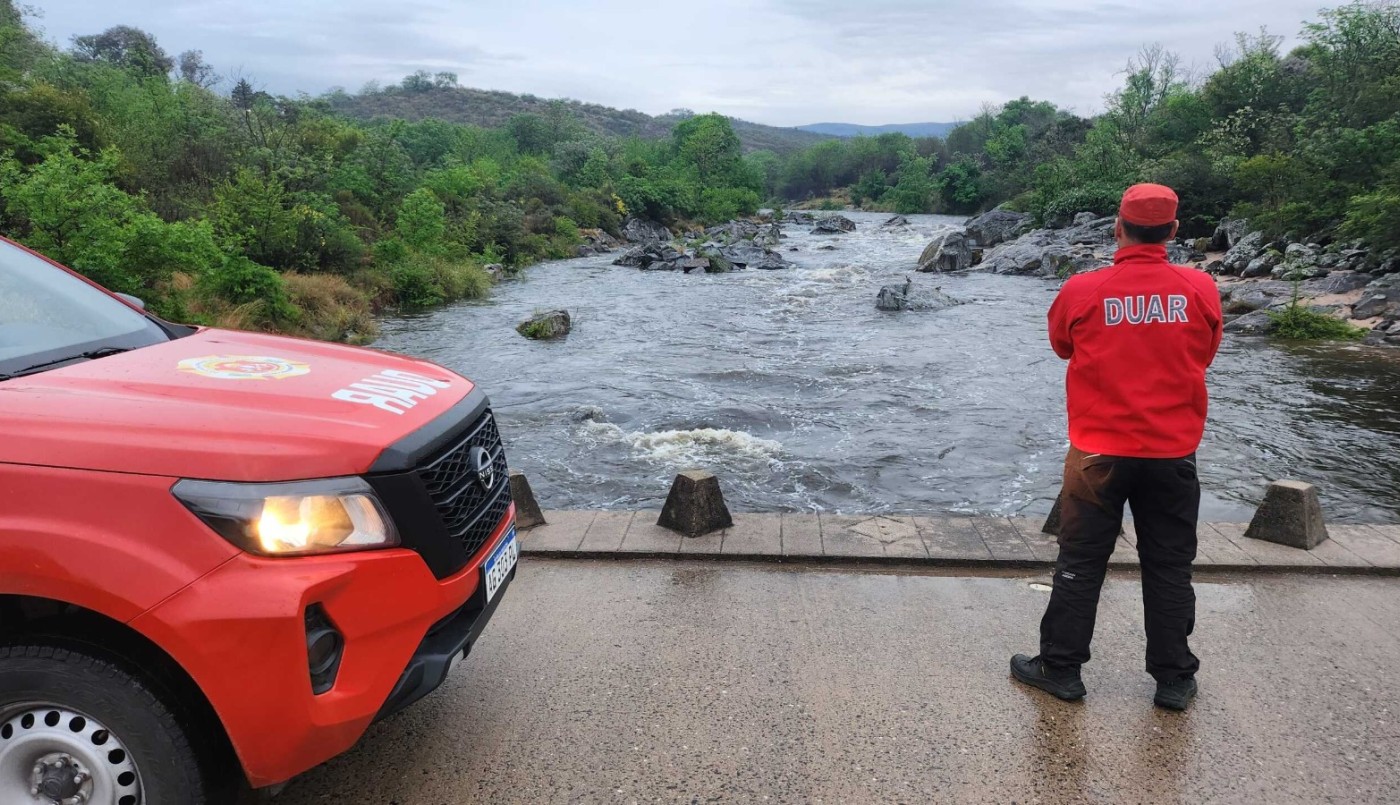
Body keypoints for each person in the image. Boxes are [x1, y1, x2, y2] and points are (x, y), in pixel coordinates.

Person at [1010, 183, 1223, 711]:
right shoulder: (1199, 287)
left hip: (1097, 454)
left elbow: (1062, 345)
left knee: (1080, 560)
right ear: (1174, 231)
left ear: (1117, 227)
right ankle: (1173, 679)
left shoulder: (1082, 289)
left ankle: (1061, 668)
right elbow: (1206, 354)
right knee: (1170, 564)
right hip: (1173, 452)